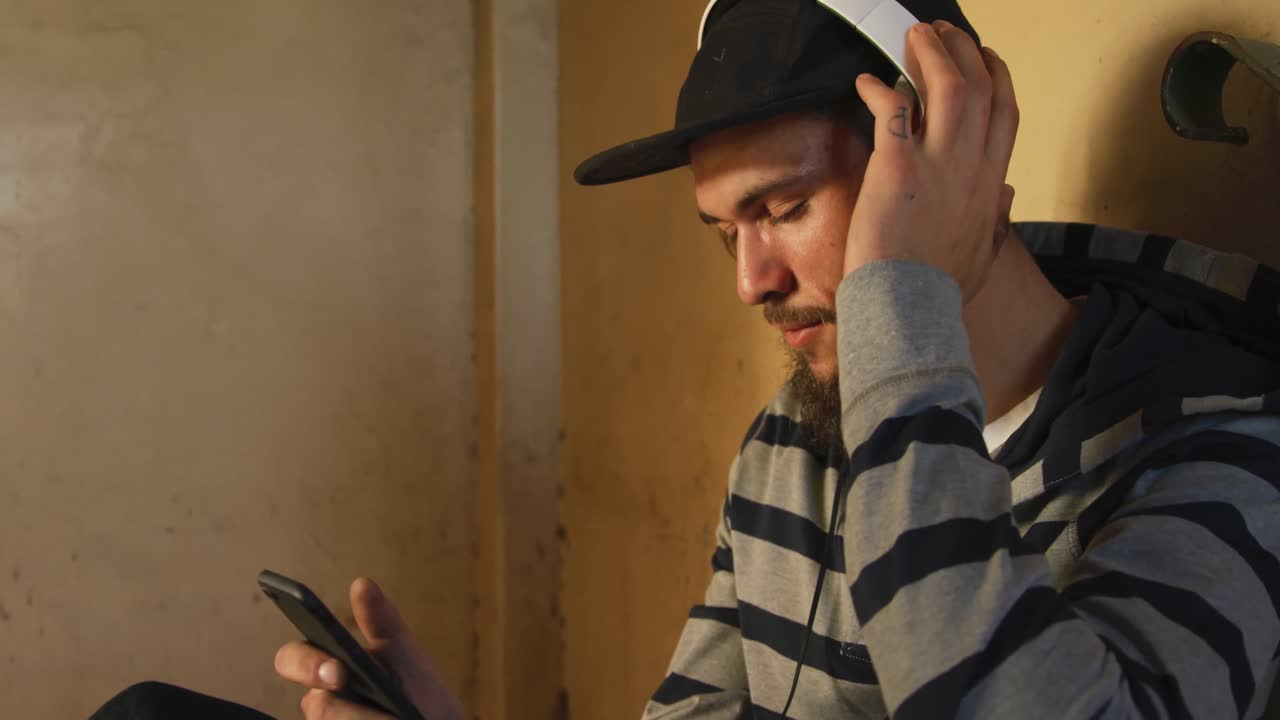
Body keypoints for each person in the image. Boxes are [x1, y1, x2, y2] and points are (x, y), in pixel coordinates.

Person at [95, 0, 1280, 717]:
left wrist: (897, 306)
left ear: (945, 167)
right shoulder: (796, 432)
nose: (749, 283)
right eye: (726, 232)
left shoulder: (1209, 444)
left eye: (783, 208)